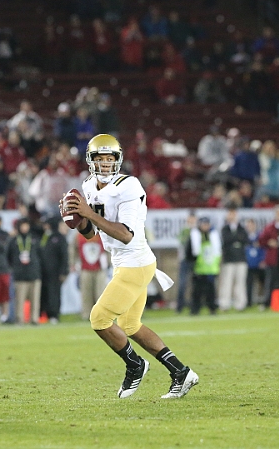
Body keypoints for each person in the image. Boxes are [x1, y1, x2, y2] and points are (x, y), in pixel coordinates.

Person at [61, 134, 198, 399]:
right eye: (99, 159)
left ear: (118, 159)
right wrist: (75, 218)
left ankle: (135, 365)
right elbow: (91, 233)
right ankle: (181, 373)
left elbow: (126, 234)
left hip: (135, 262)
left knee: (99, 319)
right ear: (90, 161)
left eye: (109, 158)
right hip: (123, 263)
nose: (104, 164)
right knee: (130, 325)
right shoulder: (88, 185)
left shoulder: (129, 186)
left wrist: (88, 213)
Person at [7, 218, 43, 325]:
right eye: (22, 225)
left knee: (35, 299)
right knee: (19, 299)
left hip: (34, 273)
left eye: (26, 225)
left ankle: (34, 319)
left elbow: (40, 255)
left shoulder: (34, 239)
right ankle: (20, 319)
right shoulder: (13, 241)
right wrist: (14, 267)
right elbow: (8, 256)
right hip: (20, 274)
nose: (24, 228)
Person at [187, 216, 221, 315]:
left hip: (210, 268)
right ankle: (195, 309)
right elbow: (189, 252)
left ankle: (212, 308)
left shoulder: (213, 235)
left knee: (211, 291)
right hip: (199, 268)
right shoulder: (195, 236)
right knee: (197, 291)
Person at [71, 230, 108, 320]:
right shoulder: (79, 235)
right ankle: (86, 314)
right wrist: (72, 262)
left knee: (100, 293)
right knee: (86, 293)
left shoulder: (102, 234)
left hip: (100, 268)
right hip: (85, 268)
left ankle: (101, 314)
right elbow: (72, 248)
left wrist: (109, 262)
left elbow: (108, 248)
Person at [39, 216, 69, 323]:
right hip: (43, 273)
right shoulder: (44, 237)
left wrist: (63, 272)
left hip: (55, 273)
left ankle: (54, 314)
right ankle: (44, 314)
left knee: (54, 294)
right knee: (45, 293)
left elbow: (64, 256)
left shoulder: (60, 238)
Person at [218, 207, 248, 312]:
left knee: (240, 282)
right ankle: (224, 304)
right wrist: (236, 241)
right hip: (229, 259)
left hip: (241, 259)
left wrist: (235, 241)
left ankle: (240, 304)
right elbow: (227, 240)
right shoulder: (225, 229)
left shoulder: (241, 228)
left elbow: (245, 240)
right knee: (226, 282)